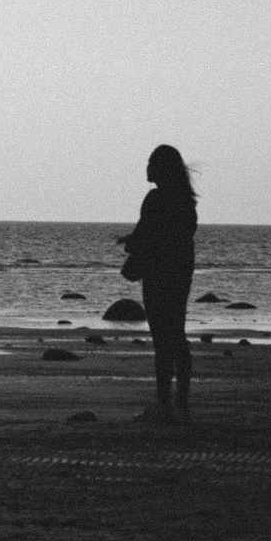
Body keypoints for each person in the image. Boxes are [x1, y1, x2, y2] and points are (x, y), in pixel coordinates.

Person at [117, 144, 197, 423]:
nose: (147, 167)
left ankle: (164, 404)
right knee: (177, 334)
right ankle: (181, 402)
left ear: (160, 168)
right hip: (180, 272)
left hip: (158, 273)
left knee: (162, 338)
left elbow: (144, 237)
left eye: (151, 162)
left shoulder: (155, 199)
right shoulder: (186, 201)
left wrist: (130, 243)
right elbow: (179, 236)